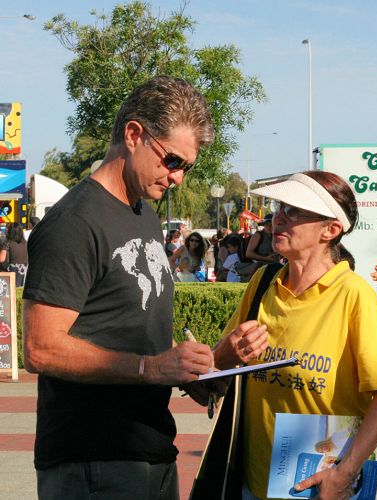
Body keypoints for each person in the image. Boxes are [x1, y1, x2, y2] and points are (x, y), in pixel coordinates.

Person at [23, 76, 222, 500]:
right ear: (134, 135)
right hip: (93, 464)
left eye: (187, 167)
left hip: (147, 451)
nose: (179, 178)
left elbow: (131, 319)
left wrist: (185, 371)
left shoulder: (142, 213)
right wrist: (151, 369)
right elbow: (40, 348)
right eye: (173, 161)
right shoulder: (74, 223)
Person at [213, 171, 377, 500]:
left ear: (330, 230)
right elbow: (220, 361)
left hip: (322, 488)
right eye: (279, 208)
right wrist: (228, 352)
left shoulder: (353, 295)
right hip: (254, 484)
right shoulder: (262, 282)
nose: (277, 220)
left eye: (294, 212)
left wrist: (344, 474)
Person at [0, 222, 28, 286]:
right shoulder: (25, 243)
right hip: (24, 271)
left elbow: (1, 259)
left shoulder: (7, 243)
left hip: (11, 271)